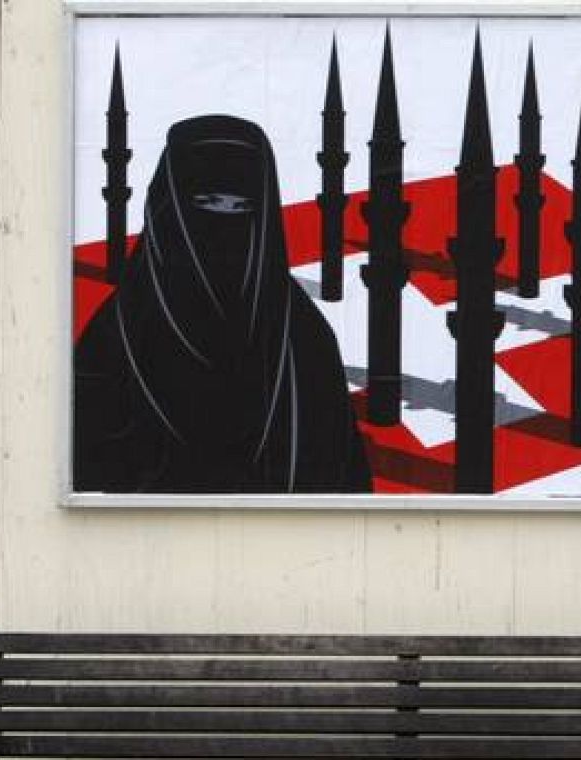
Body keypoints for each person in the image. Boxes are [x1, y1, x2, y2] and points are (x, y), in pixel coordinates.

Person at [74, 114, 371, 494]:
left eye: (240, 207)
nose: (223, 223)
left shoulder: (301, 337)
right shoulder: (119, 334)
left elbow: (338, 469)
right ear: (172, 207)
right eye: (208, 202)